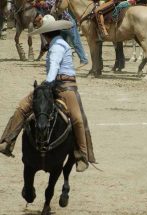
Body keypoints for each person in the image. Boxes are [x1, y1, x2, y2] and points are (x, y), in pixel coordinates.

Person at [0, 15, 96, 172]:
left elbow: (54, 68)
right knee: (77, 119)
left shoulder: (57, 46)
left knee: (24, 108)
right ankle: (7, 141)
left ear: (45, 34)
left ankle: (82, 156)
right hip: (61, 85)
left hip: (64, 86)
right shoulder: (56, 43)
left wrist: (48, 84)